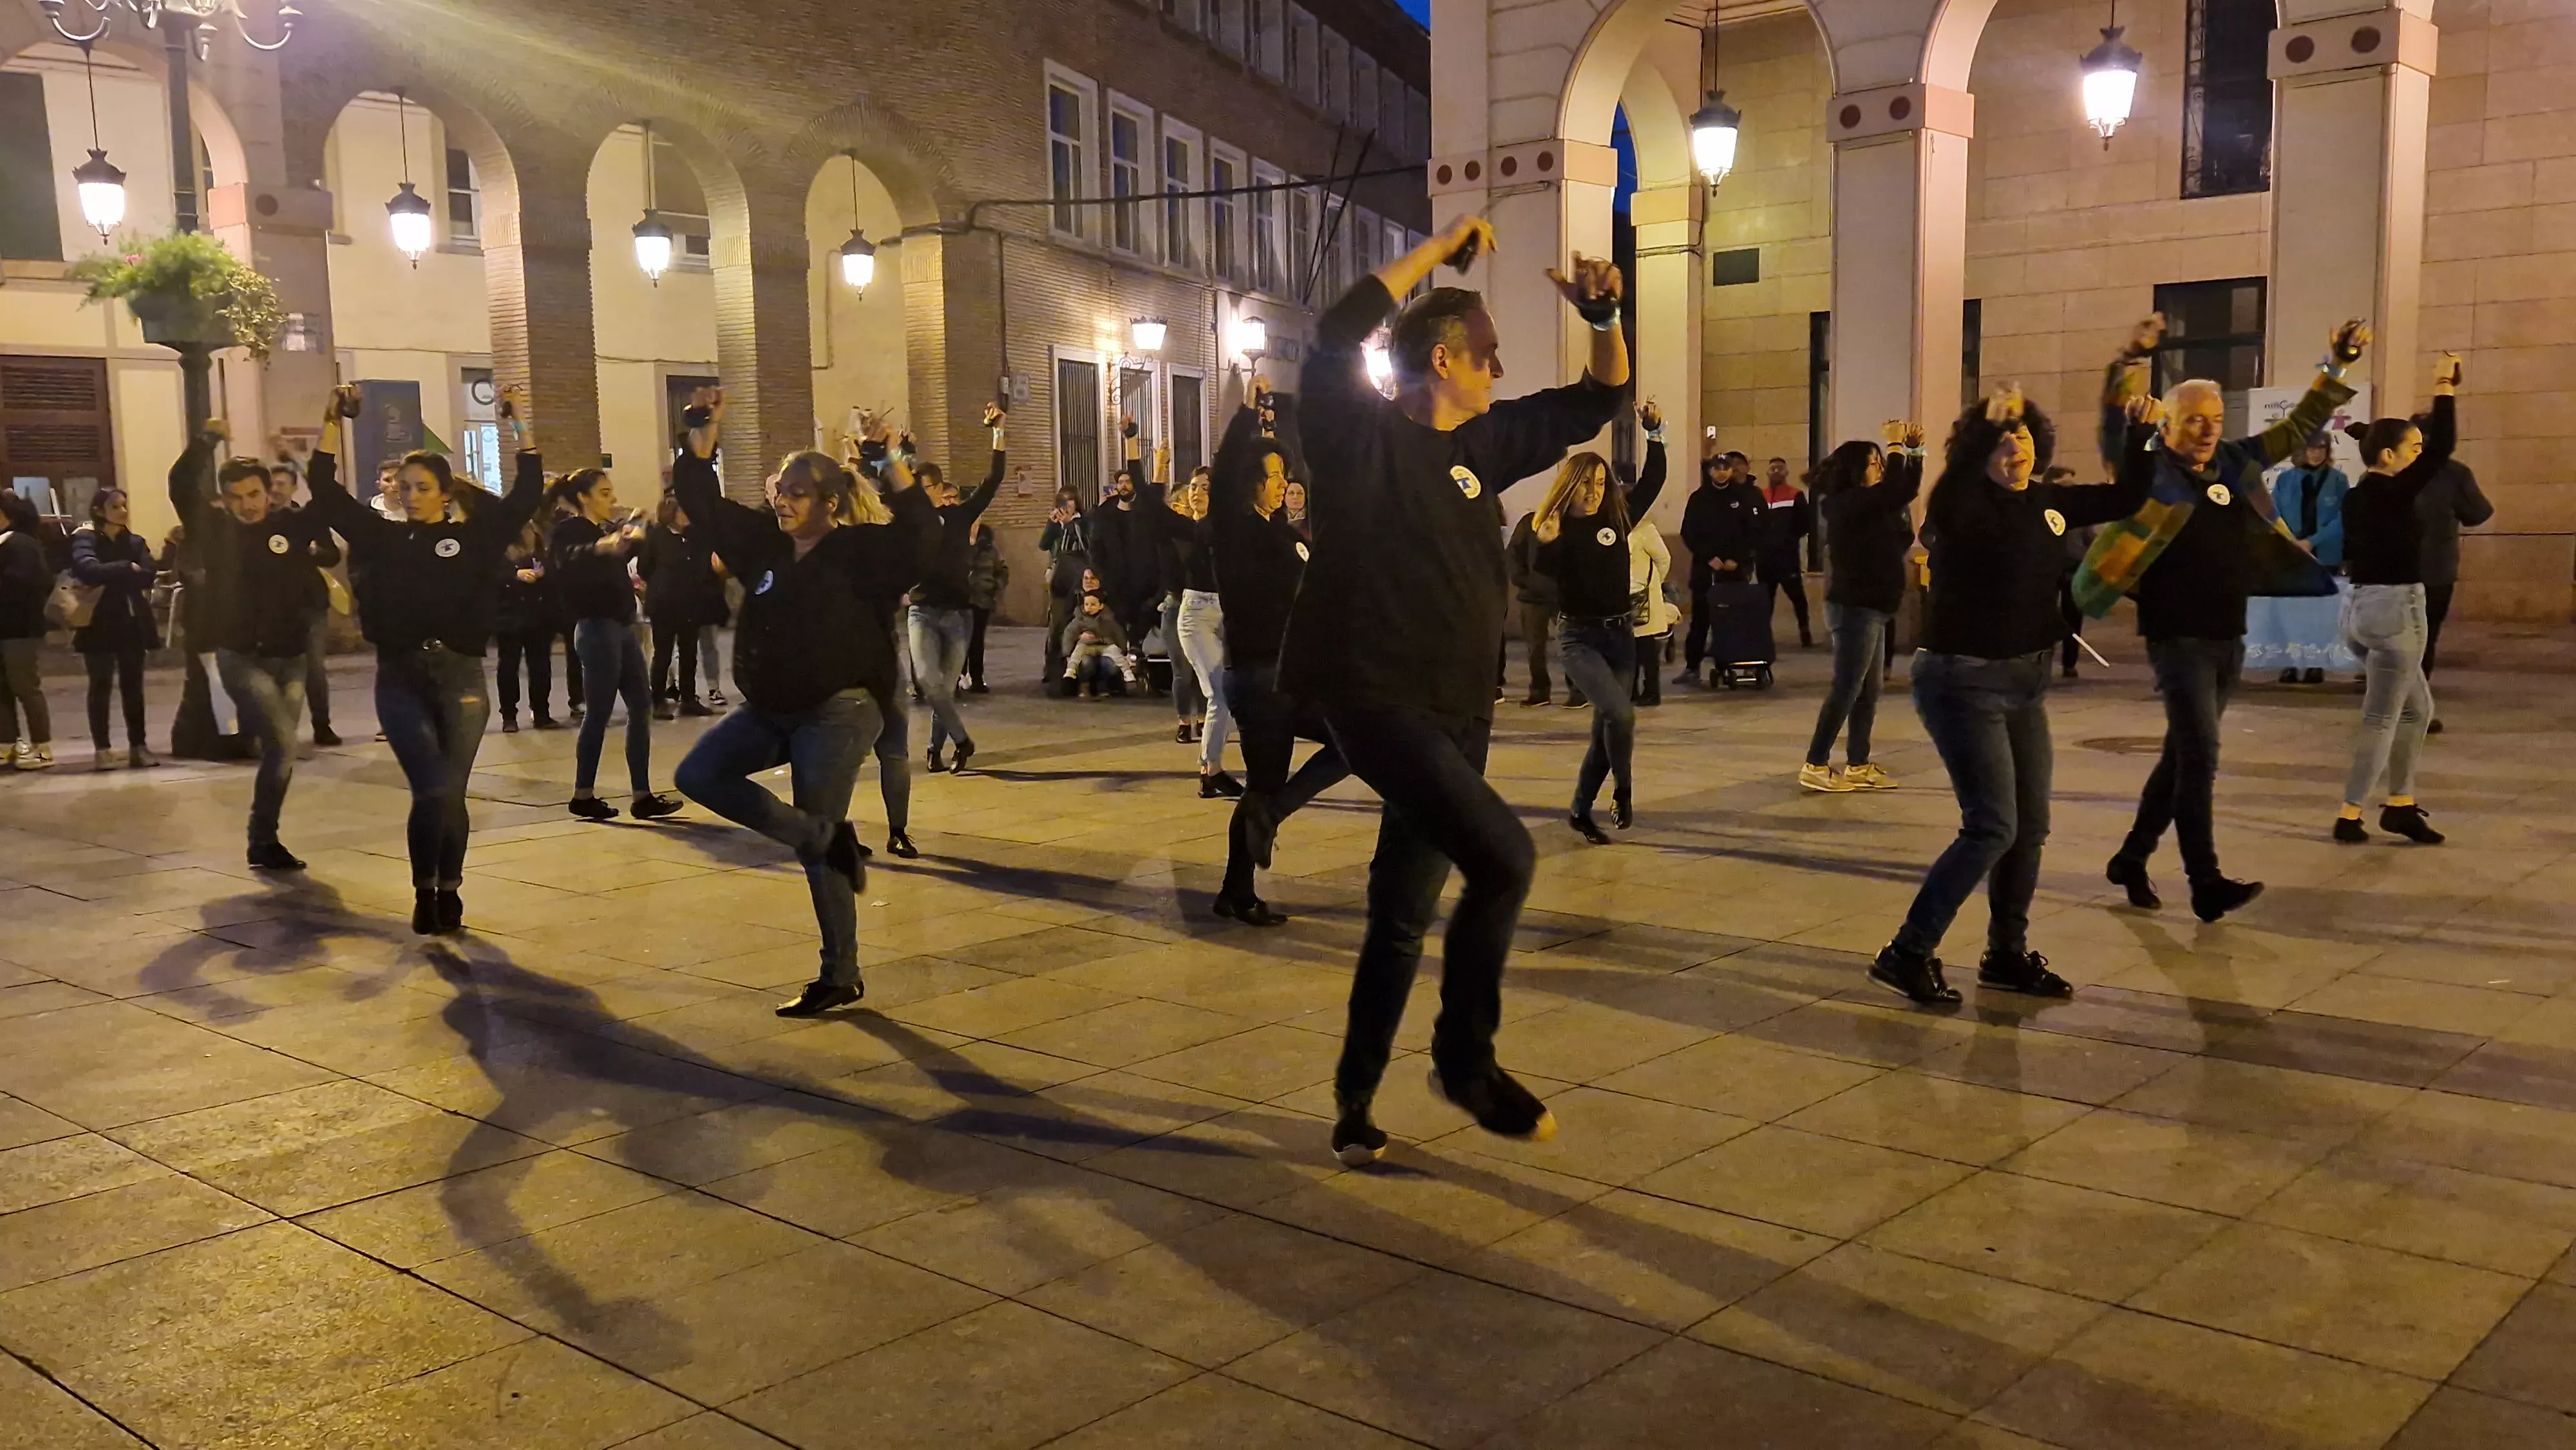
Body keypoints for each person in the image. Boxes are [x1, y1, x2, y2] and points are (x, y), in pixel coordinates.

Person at [1282, 216, 1628, 1163]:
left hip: (1459, 712)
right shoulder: (1355, 439)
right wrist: (1436, 257)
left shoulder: (1487, 443)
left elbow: (1603, 393)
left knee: (1400, 913)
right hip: (1375, 700)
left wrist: (1606, 313)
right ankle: (1464, 1062)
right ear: (1442, 358)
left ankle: (1353, 1106)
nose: (1499, 375)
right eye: (1488, 358)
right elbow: (1335, 333)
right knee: (1508, 861)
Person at [1868, 387, 2162, 1006]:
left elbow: (2130, 496)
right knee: (1992, 826)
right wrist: (1985, 428)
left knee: (2030, 827)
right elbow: (1948, 491)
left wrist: (2138, 435)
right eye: (2003, 442)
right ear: (1979, 453)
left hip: (2026, 681)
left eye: (2023, 438)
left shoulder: (2049, 503)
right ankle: (1907, 953)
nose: (2015, 451)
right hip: (1963, 680)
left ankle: (2005, 954)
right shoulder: (1961, 506)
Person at [2079, 315, 2365, 923]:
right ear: (2168, 425)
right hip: (2175, 634)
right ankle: (2204, 880)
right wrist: (2128, 360)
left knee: (2181, 756)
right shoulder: (2148, 471)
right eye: (2193, 419)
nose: (2208, 429)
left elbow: (2297, 429)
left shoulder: (2234, 461)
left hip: (2225, 631)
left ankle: (2131, 857)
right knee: (2201, 756)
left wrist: (2336, 366)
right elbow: (2112, 429)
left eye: (2214, 418)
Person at [669, 390, 939, 1015]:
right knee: (699, 774)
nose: (781, 500)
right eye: (780, 490)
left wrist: (886, 460)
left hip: (839, 709)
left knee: (818, 844)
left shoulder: (861, 553)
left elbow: (923, 534)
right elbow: (702, 504)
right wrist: (701, 433)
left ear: (829, 502)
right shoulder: (763, 543)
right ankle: (818, 834)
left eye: (796, 492)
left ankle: (839, 971)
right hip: (770, 706)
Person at [305, 384, 547, 935]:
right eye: (403, 486)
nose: (410, 496)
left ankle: (449, 890)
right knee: (431, 787)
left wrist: (517, 422)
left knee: (452, 794)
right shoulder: (381, 538)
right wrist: (330, 418)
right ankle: (422, 890)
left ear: (446, 493)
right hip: (401, 680)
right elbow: (322, 486)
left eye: (422, 488)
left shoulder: (475, 538)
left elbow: (528, 490)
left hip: (461, 677)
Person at [1209, 376, 1350, 925]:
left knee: (1349, 742)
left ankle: (1272, 818)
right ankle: (1237, 891)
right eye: (1272, 476)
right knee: (1262, 783)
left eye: (1286, 476)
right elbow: (1222, 479)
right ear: (1249, 481)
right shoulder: (1234, 528)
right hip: (1258, 676)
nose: (1281, 484)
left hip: (1294, 675)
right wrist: (1247, 416)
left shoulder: (1285, 531)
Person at [167, 429, 336, 869]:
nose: (249, 504)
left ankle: (263, 839)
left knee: (281, 751)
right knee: (282, 743)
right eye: (238, 496)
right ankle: (263, 838)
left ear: (270, 492)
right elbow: (181, 485)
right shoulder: (215, 530)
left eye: (256, 493)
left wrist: (298, 461)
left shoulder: (290, 527)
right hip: (241, 657)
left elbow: (329, 499)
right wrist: (204, 444)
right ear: (224, 498)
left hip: (292, 657)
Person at [2332, 355, 2463, 845]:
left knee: (2417, 712)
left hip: (2361, 611)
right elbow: (2444, 447)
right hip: (2394, 612)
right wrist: (2444, 385)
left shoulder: (2357, 494)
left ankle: (2401, 805)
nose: (2420, 455)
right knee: (2383, 717)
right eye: (2412, 448)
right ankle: (2349, 813)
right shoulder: (2390, 493)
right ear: (2387, 456)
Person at [1530, 408, 1666, 843]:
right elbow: (1543, 575)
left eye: (1601, 484)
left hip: (1621, 635)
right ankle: (1624, 792)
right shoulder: (1555, 528)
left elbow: (1654, 480)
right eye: (1586, 484)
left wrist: (1655, 433)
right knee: (1619, 713)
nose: (1594, 492)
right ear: (1570, 485)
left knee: (1606, 731)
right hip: (1579, 638)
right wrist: (1548, 544)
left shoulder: (1618, 518)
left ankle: (1579, 811)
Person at [552, 467, 684, 823]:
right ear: (584, 497)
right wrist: (602, 546)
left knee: (641, 707)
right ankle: (583, 794)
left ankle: (642, 795)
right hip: (596, 629)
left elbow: (617, 558)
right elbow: (568, 559)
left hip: (623, 627)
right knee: (599, 712)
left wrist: (632, 533)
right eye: (605, 492)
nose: (612, 499)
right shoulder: (570, 530)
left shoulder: (603, 532)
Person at [1802, 422, 1925, 793]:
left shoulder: (1872, 505)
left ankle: (1857, 763)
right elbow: (1892, 493)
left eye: (1882, 461)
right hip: (1855, 608)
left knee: (1869, 690)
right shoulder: (1842, 504)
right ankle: (1816, 763)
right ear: (1855, 469)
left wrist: (1914, 453)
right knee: (1847, 688)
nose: (1881, 468)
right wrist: (1894, 445)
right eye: (1875, 462)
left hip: (1875, 606)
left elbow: (1902, 493)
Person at [1137, 440, 1244, 796]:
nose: (1198, 492)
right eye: (1194, 487)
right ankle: (1210, 771)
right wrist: (1155, 466)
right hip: (1195, 614)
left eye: (1206, 488)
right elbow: (1152, 510)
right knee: (1219, 693)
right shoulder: (1184, 528)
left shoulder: (1227, 527)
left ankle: (1217, 768)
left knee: (1240, 692)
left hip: (1230, 612)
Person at [907, 412, 1007, 775]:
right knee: (929, 682)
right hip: (922, 612)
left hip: (958, 614)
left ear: (939, 488)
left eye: (927, 487)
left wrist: (998, 433)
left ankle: (936, 748)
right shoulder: (912, 519)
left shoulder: (960, 516)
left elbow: (993, 480)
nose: (921, 494)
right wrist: (904, 452)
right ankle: (963, 740)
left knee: (944, 690)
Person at [2249, 434, 2355, 684]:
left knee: (2319, 614)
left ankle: (2316, 664)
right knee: (2289, 612)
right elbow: (2274, 515)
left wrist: (2312, 541)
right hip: (2291, 555)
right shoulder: (2286, 480)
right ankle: (2290, 663)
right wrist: (2291, 543)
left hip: (2324, 554)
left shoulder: (2338, 481)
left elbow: (2341, 519)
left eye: (2321, 448)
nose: (2316, 453)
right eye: (2311, 448)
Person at [70, 487, 161, 770]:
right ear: (99, 511)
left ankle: (138, 745)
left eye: (125, 505)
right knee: (100, 685)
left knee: (133, 686)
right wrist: (125, 568)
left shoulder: (134, 541)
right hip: (97, 622)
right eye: (115, 506)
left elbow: (147, 574)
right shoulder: (86, 539)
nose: (123, 511)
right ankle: (103, 749)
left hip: (131, 621)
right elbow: (87, 569)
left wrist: (120, 572)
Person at [2414, 427, 2492, 734]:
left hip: (2393, 570)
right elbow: (2478, 513)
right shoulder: (2453, 473)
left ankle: (2394, 704)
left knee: (2394, 641)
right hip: (2435, 569)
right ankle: (2414, 706)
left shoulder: (2388, 470)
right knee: (2425, 639)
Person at [265, 467, 345, 747]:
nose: (275, 488)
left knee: (314, 666)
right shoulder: (260, 521)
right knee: (275, 666)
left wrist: (313, 553)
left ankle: (322, 725)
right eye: (271, 483)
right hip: (273, 605)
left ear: (293, 487)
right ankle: (278, 728)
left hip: (309, 601)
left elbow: (332, 554)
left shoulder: (308, 519)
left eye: (281, 483)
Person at [1675, 451, 1764, 684]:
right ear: (1710, 471)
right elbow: (1689, 533)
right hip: (1706, 571)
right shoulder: (1698, 498)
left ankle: (1734, 663)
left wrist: (1739, 559)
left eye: (1726, 468)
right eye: (1717, 468)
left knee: (1734, 619)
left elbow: (1753, 531)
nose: (1721, 472)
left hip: (1735, 571)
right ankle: (1692, 667)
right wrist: (1708, 558)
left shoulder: (1743, 497)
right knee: (1700, 621)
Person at [640, 493, 724, 719]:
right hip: (665, 605)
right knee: (663, 653)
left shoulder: (695, 536)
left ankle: (689, 698)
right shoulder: (656, 536)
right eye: (683, 511)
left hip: (690, 603)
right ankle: (657, 700)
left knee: (689, 652)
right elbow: (644, 567)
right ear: (671, 514)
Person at [0, 493, 54, 770]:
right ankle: (6, 746)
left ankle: (42, 749)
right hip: (5, 628)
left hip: (18, 628)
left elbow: (23, 584)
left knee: (26, 688)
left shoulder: (20, 543)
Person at [493, 519, 563, 732]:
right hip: (510, 616)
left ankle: (541, 712)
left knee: (540, 666)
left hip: (539, 616)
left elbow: (551, 572)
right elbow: (488, 576)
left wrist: (543, 573)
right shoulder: (500, 550)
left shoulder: (542, 551)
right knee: (509, 666)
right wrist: (515, 576)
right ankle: (509, 715)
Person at [1627, 462, 1679, 708]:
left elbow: (1663, 558)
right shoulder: (1620, 526)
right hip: (1624, 596)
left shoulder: (1645, 529)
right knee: (1629, 650)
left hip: (1645, 596)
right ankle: (1632, 690)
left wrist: (1652, 582)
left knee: (1647, 650)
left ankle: (1651, 691)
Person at [1756, 455, 1815, 647]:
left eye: (1780, 468)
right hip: (1765, 558)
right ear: (1767, 472)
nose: (1776, 472)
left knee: (1797, 595)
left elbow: (1805, 523)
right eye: (1773, 468)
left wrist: (1789, 539)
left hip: (1787, 556)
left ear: (1786, 472)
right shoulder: (1761, 496)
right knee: (1766, 599)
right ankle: (1764, 634)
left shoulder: (1795, 495)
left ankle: (1804, 630)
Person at [1039, 484, 1092, 684]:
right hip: (1059, 578)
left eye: (1070, 499)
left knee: (1077, 621)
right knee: (1056, 623)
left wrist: (1069, 523)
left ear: (1076, 502)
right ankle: (1052, 668)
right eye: (1062, 500)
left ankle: (1075, 668)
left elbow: (1085, 545)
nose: (1066, 504)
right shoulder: (1057, 523)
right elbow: (1043, 545)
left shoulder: (1084, 522)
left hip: (1079, 579)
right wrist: (1052, 524)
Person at [1061, 589, 1139, 697]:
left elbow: (1118, 633)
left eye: (1093, 604)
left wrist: (1123, 648)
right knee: (1079, 652)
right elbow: (1069, 634)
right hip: (1086, 646)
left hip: (1104, 646)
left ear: (1101, 606)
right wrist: (1067, 652)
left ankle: (1127, 674)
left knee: (1115, 653)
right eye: (1086, 604)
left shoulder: (1108, 619)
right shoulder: (1079, 620)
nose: (1089, 607)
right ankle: (1072, 672)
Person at [961, 518, 1006, 693]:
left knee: (977, 640)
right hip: (963, 599)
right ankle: (960, 676)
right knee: (961, 639)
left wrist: (995, 586)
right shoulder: (960, 544)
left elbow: (1002, 570)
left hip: (983, 600)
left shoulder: (990, 549)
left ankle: (977, 678)